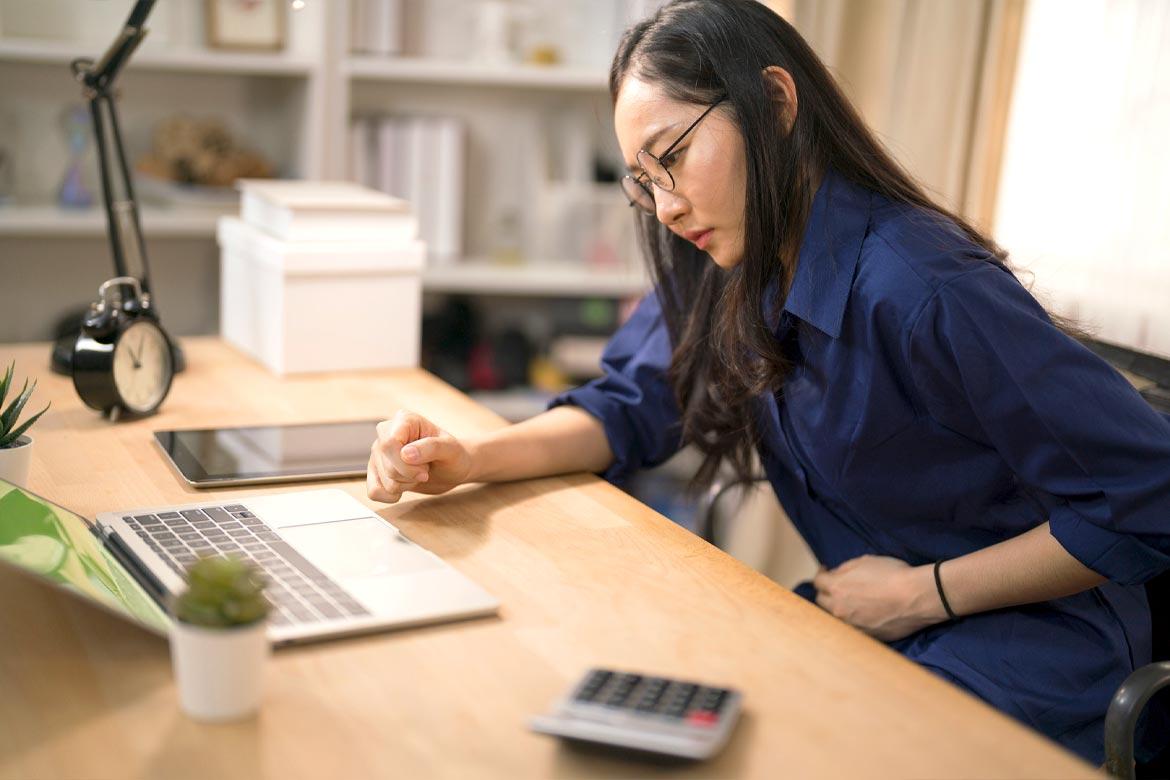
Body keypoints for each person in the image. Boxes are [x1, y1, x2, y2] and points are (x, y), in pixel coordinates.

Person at [367, 0, 1170, 763]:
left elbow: (1148, 491)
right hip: (881, 622)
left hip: (1034, 657)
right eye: (643, 180)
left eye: (673, 157)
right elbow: (632, 404)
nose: (665, 205)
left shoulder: (922, 285)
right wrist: (470, 458)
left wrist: (924, 595)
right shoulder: (728, 254)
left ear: (775, 101)